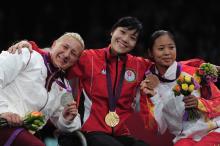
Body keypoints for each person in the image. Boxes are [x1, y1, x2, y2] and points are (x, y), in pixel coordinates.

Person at [8, 16, 151, 146]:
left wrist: (156, 80)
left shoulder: (139, 65)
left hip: (119, 134)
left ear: (136, 43)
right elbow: (56, 56)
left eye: (132, 37)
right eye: (123, 32)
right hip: (89, 131)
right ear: (113, 31)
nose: (125, 39)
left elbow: (166, 70)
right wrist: (30, 46)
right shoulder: (89, 58)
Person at [0, 32, 84, 146]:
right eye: (65, 47)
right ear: (54, 44)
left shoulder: (65, 89)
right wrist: (3, 110)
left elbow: (73, 123)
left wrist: (66, 119)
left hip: (25, 133)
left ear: (75, 61)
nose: (66, 55)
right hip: (4, 124)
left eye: (73, 53)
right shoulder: (27, 55)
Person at [140, 30, 220, 146]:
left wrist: (199, 104)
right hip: (186, 139)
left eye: (171, 47)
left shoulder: (194, 72)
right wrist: (154, 97)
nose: (167, 52)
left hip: (214, 130)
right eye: (161, 49)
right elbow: (158, 129)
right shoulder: (150, 87)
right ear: (150, 53)